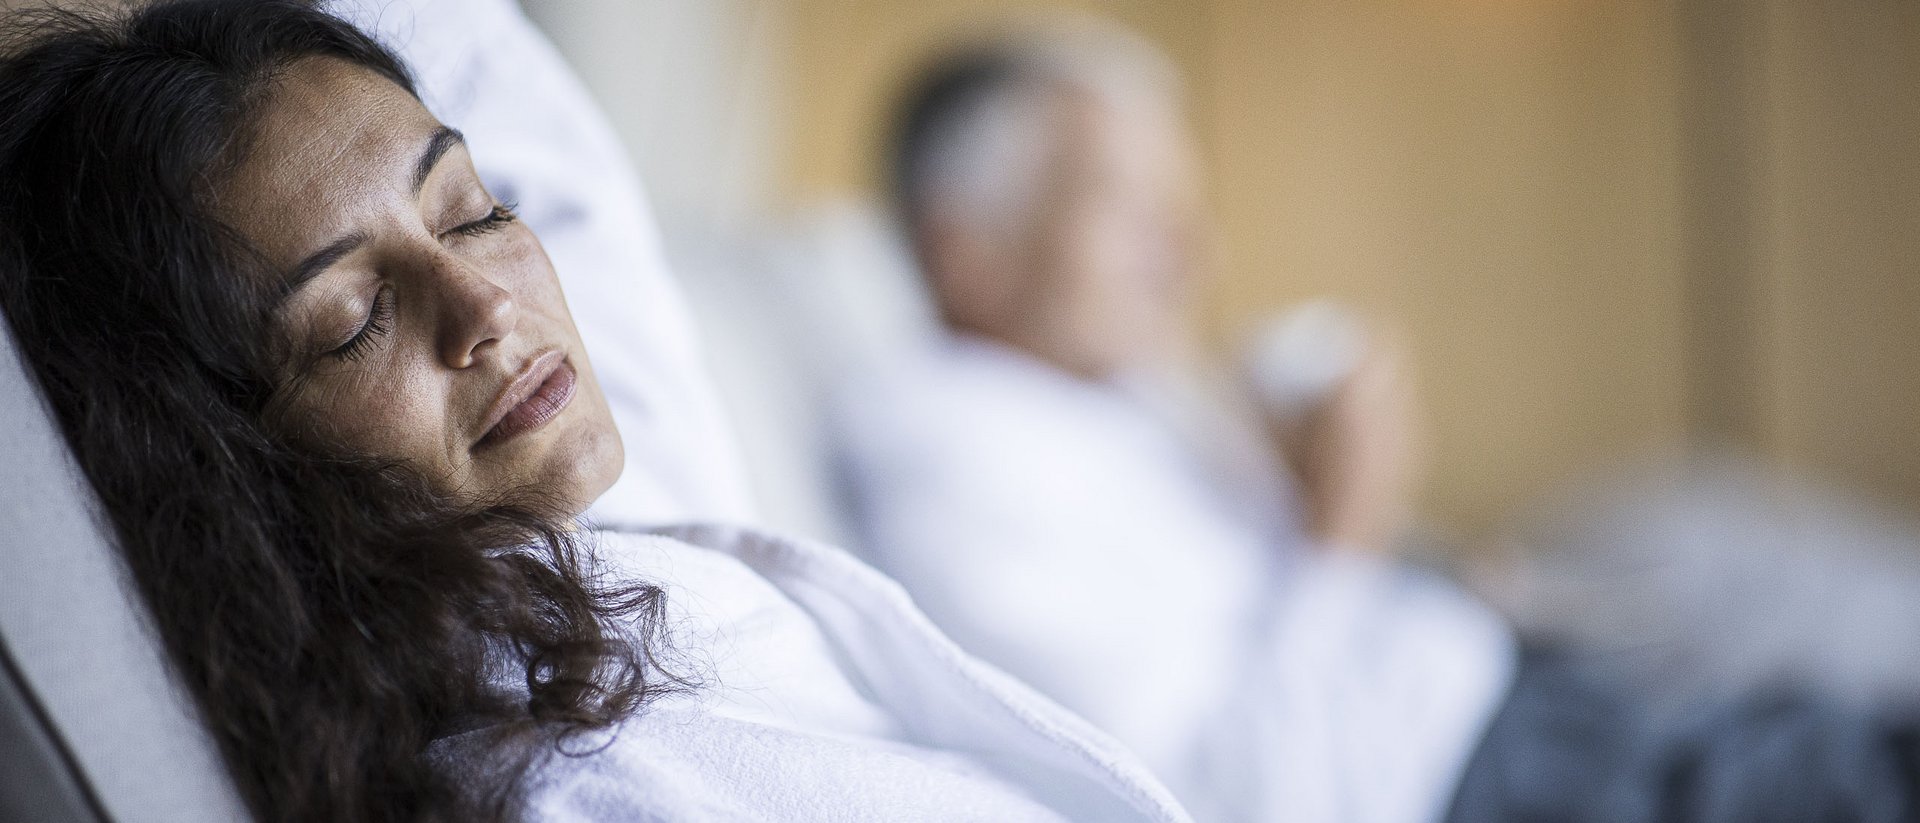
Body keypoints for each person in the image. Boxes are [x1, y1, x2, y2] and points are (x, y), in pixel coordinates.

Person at [0, 2, 1188, 821]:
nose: (483, 305)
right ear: (227, 460)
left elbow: (518, 112)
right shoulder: (583, 789)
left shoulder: (584, 516)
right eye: (355, 321)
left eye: (470, 209)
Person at [839, 24, 1920, 823]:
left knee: (1774, 642)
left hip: (1497, 688)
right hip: (1471, 779)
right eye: (1123, 203)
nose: (1188, 248)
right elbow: (1250, 788)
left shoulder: (1102, 392)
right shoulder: (954, 462)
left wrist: (1331, 498)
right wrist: (1341, 523)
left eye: (1183, 200)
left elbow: (1268, 598)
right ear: (965, 250)